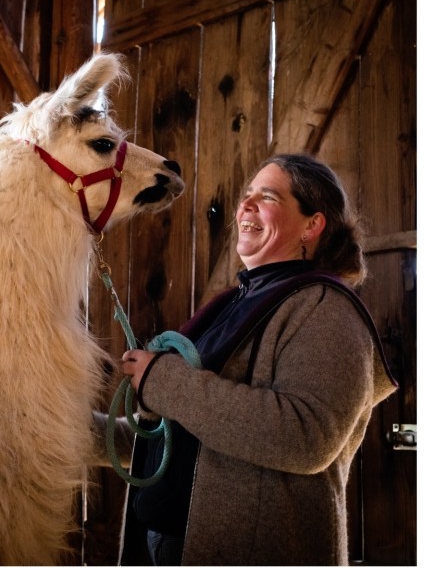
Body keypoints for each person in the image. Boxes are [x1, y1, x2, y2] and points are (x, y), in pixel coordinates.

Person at [117, 153, 397, 566]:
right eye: (246, 195)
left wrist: (164, 382)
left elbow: (307, 437)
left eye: (267, 197)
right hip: (169, 543)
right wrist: (77, 433)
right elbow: (184, 432)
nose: (244, 206)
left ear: (311, 225)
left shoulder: (325, 309)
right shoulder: (235, 305)